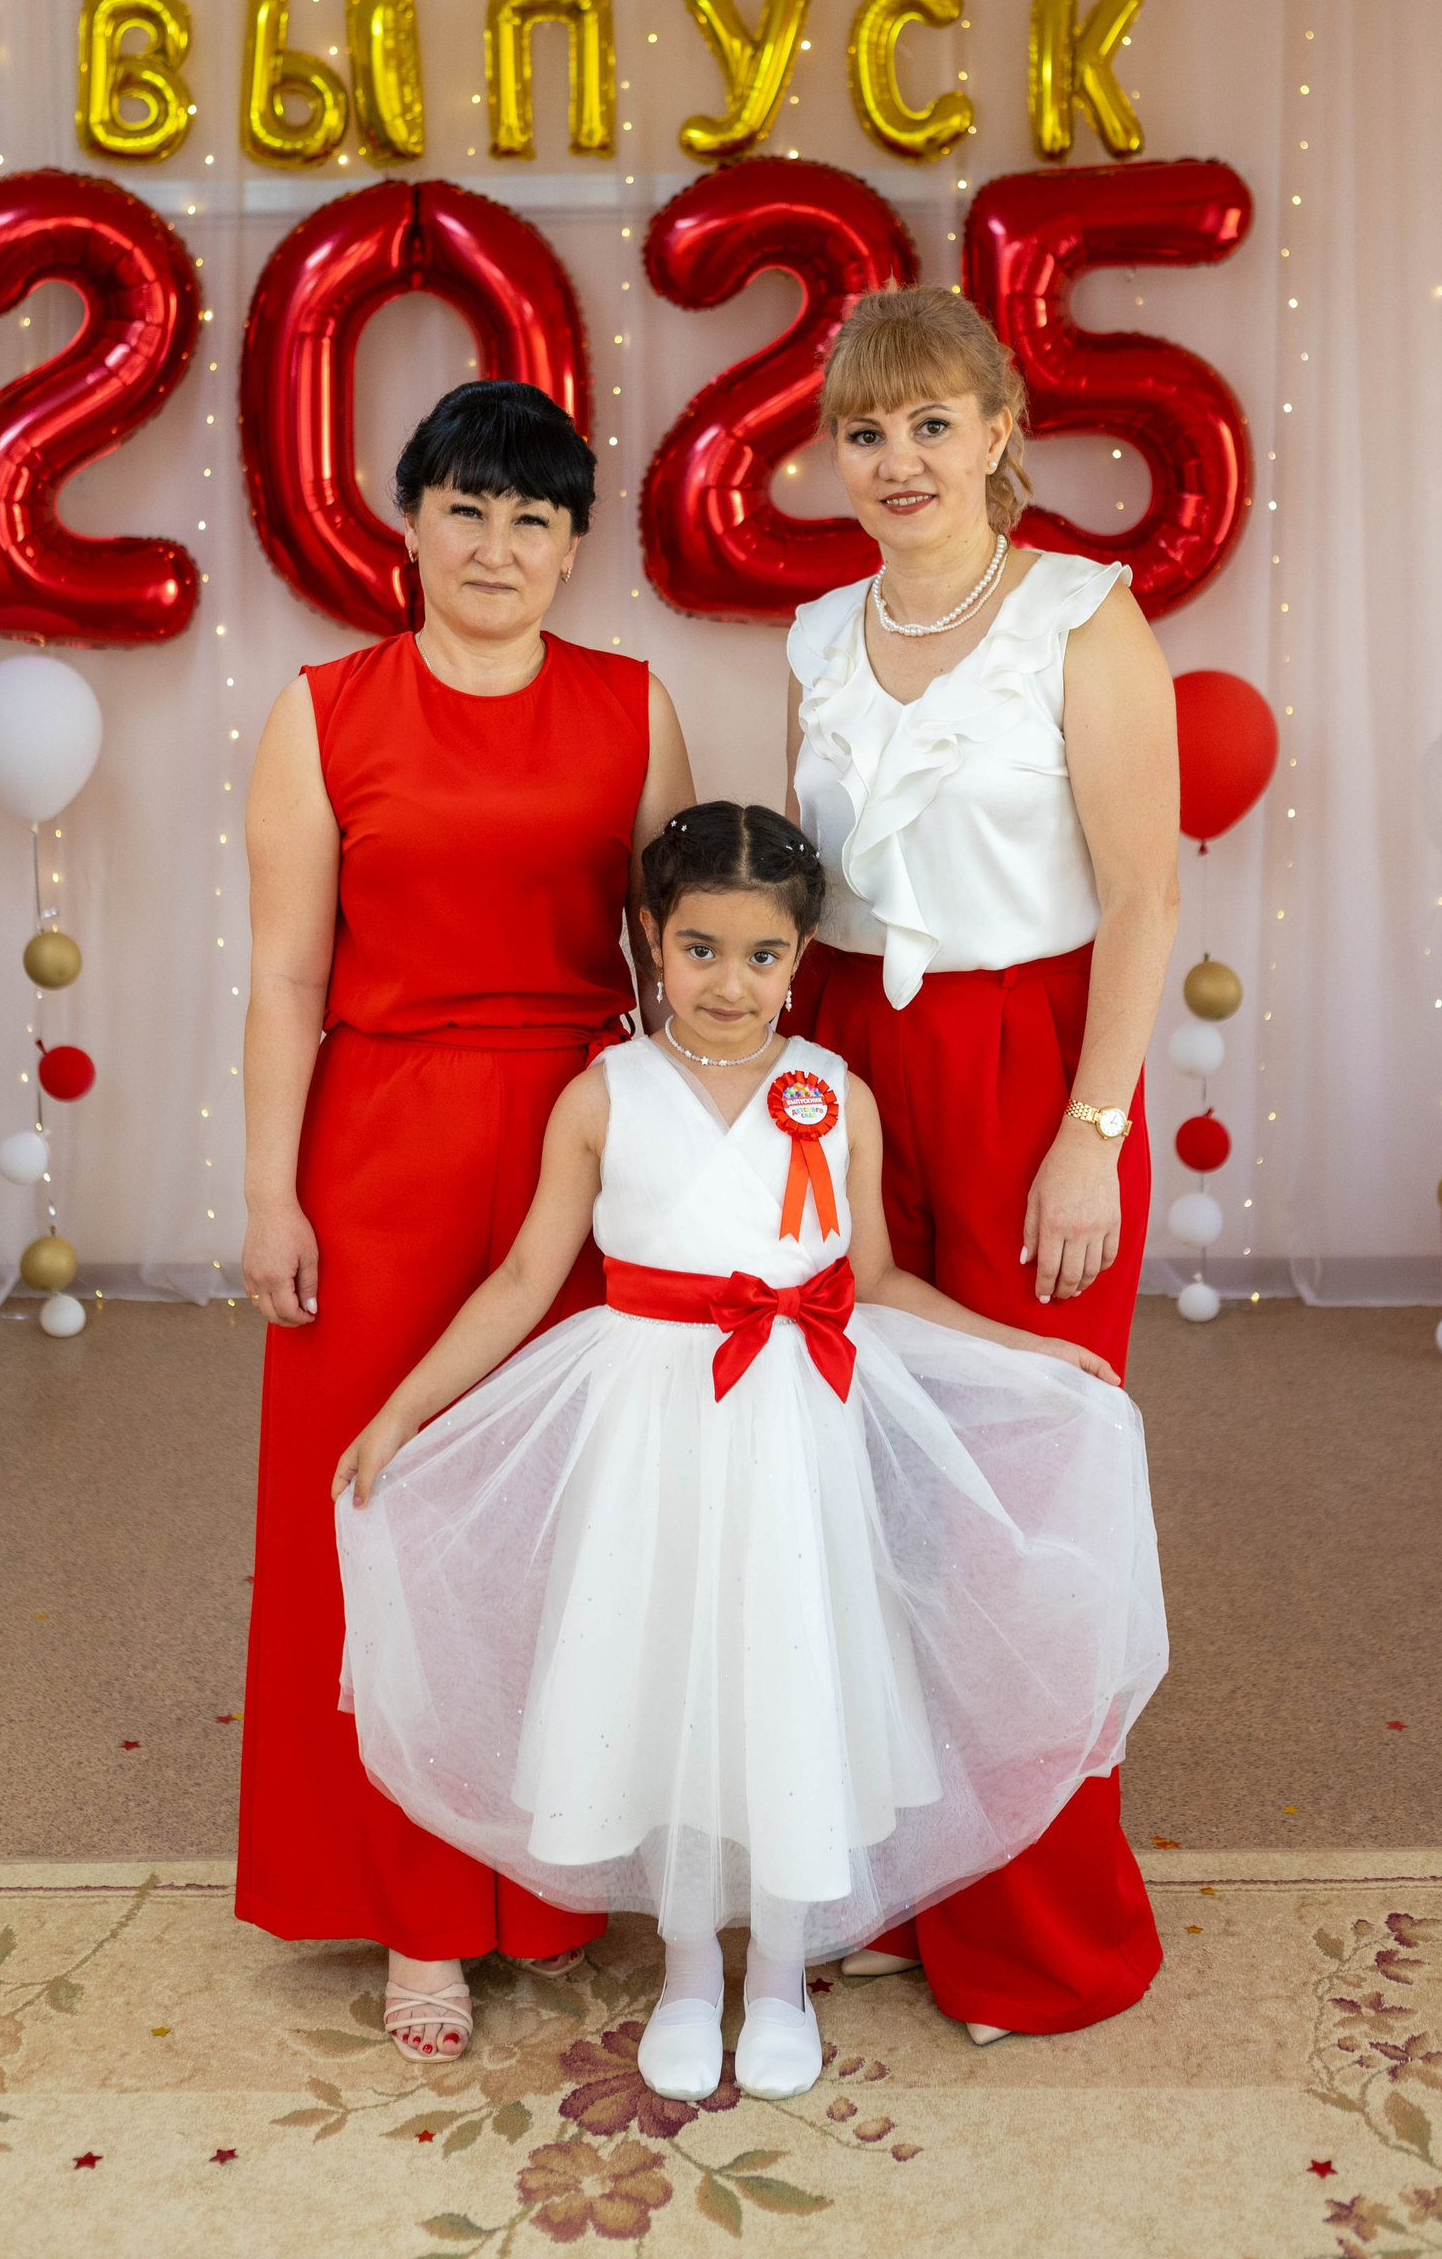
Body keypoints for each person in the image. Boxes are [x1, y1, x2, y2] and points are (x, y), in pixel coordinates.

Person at [333, 802, 1166, 2103]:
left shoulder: (834, 1095)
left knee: (787, 1678)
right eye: (701, 949)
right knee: (663, 1676)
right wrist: (405, 1408)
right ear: (651, 940)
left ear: (802, 955)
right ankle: (686, 1972)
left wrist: (1031, 1351)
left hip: (792, 1434)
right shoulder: (603, 1097)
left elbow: (875, 1280)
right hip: (650, 1435)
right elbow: (522, 1278)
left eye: (764, 955)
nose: (731, 983)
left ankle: (776, 1974)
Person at [237, 379, 695, 2064]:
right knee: (383, 1516)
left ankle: (556, 1875)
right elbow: (289, 976)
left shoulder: (636, 708)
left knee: (575, 1520)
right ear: (413, 525)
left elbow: (677, 966)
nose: (497, 546)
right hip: (382, 1147)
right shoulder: (320, 712)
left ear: (572, 549)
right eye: (467, 510)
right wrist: (269, 1190)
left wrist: (703, 1168)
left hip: (587, 1141)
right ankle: (415, 1907)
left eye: (534, 519)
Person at [785, 282, 1181, 2049]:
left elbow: (1144, 896)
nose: (900, 460)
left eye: (932, 423)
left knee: (1022, 1496)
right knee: (872, 1490)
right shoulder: (814, 636)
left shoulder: (1086, 620)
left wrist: (1091, 1134)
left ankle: (1044, 1935)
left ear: (1001, 432)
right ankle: (908, 1888)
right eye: (866, 431)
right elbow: (805, 902)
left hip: (1030, 1073)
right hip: (853, 1071)